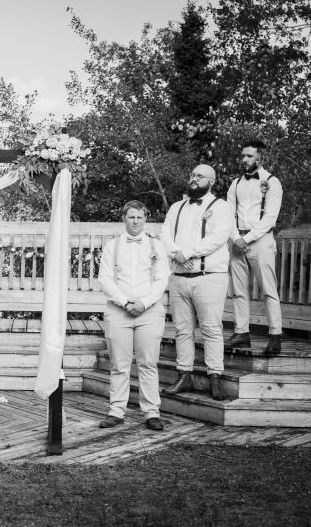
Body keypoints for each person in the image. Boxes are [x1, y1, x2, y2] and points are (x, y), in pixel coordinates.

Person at [160, 164, 231, 401]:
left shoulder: (221, 207)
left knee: (211, 329)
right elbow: (165, 236)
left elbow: (217, 239)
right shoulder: (176, 207)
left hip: (209, 278)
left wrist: (186, 253)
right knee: (182, 330)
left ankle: (215, 378)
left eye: (199, 176)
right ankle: (184, 375)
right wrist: (176, 253)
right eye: (192, 174)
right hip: (179, 278)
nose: (193, 179)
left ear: (211, 181)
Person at [98, 201, 170, 431]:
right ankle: (116, 411)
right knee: (119, 364)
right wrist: (125, 302)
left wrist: (144, 303)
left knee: (148, 363)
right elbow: (105, 279)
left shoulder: (156, 246)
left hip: (149, 311)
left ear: (145, 219)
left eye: (139, 217)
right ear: (124, 219)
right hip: (119, 310)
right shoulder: (113, 246)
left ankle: (151, 412)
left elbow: (161, 279)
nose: (135, 221)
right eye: (131, 217)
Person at [225, 139, 284, 355]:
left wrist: (246, 239)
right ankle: (242, 333)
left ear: (260, 157)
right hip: (237, 242)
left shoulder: (272, 182)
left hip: (260, 241)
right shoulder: (236, 183)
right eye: (243, 156)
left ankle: (275, 335)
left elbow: (269, 218)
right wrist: (234, 238)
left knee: (269, 290)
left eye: (249, 156)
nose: (244, 159)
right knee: (238, 291)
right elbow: (228, 214)